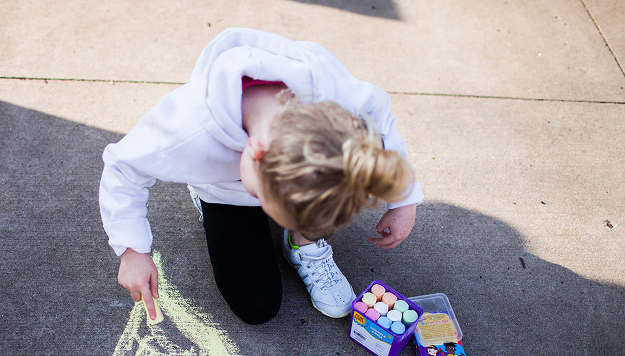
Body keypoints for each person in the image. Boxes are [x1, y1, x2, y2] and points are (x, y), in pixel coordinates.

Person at [99, 28, 423, 324]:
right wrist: (133, 250)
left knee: (327, 196)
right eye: (262, 199)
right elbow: (122, 166)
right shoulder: (183, 133)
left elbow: (379, 122)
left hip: (282, 174)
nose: (267, 213)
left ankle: (303, 242)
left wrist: (405, 199)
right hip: (224, 189)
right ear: (255, 152)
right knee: (257, 306)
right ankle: (204, 194)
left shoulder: (334, 95)